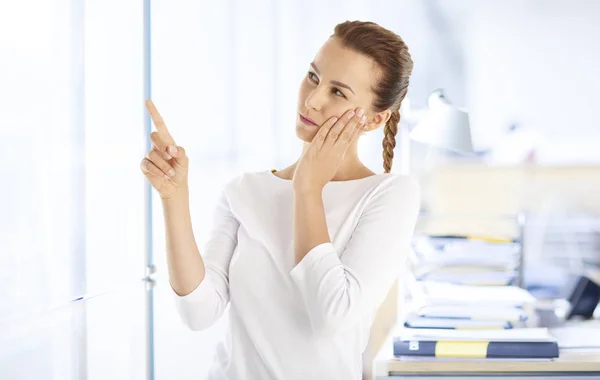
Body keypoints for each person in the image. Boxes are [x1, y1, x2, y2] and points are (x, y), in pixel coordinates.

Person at [140, 20, 420, 380]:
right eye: (314, 77)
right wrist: (174, 195)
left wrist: (307, 190)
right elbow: (198, 312)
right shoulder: (244, 191)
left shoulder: (389, 196)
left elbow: (332, 315)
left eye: (338, 92)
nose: (312, 99)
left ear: (374, 119)